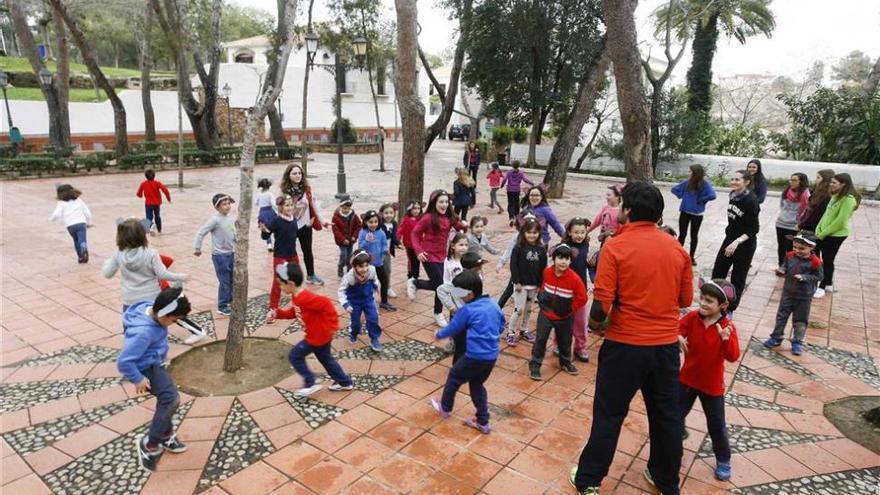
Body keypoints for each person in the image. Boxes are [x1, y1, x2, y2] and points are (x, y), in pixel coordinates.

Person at [570, 182, 693, 495]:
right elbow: (685, 299)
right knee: (666, 417)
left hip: (624, 346)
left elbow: (600, 307)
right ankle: (666, 481)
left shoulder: (616, 246)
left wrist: (597, 325)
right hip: (665, 349)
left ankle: (589, 481)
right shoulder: (677, 249)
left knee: (610, 414)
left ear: (626, 210)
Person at [117, 287, 192, 472]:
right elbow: (124, 361)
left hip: (154, 363)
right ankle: (149, 444)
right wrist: (138, 378)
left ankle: (166, 435)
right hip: (145, 368)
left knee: (167, 399)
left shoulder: (150, 307)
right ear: (164, 314)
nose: (174, 323)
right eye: (174, 320)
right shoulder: (144, 333)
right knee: (170, 399)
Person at [678, 279, 740, 482]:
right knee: (673, 416)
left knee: (716, 425)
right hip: (686, 379)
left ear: (723, 306)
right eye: (702, 298)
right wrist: (677, 336)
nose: (703, 303)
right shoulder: (693, 317)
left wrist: (725, 340)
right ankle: (673, 452)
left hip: (711, 386)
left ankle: (723, 459)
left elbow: (732, 356)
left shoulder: (727, 327)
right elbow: (677, 329)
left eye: (709, 301)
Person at [431, 270, 504, 434]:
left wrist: (439, 334)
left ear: (469, 294)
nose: (458, 296)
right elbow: (501, 325)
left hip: (474, 356)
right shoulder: (493, 304)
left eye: (459, 292)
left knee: (454, 377)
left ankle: (445, 407)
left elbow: (454, 327)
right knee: (477, 384)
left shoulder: (467, 310)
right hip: (491, 356)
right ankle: (483, 422)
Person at [273, 262, 354, 396]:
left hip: (316, 337)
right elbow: (296, 312)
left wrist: (333, 325)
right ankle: (345, 382)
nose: (280, 287)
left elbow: (326, 304)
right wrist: (279, 313)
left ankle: (311, 382)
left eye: (281, 284)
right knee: (326, 359)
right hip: (321, 336)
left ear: (291, 284)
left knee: (295, 356)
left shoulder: (305, 297)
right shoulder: (297, 297)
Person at [407, 190, 467, 327]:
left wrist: (464, 225)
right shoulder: (427, 218)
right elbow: (415, 234)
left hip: (443, 256)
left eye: (446, 202)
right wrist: (418, 251)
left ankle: (416, 283)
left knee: (441, 285)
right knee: (441, 285)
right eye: (441, 202)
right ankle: (438, 313)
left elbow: (459, 226)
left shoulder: (450, 217)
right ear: (434, 203)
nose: (444, 204)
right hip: (428, 255)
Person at [529, 244, 587, 380]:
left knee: (565, 341)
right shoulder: (547, 272)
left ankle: (565, 362)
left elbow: (583, 297)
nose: (563, 261)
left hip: (565, 316)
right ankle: (535, 365)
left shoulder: (574, 279)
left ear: (570, 261)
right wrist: (542, 298)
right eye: (560, 258)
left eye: (567, 259)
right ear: (554, 259)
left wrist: (570, 308)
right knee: (540, 339)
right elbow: (542, 285)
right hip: (546, 313)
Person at [103, 218, 188, 311]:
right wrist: (181, 277)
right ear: (142, 235)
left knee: (131, 324)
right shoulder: (151, 253)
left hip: (130, 300)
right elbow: (162, 274)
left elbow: (107, 273)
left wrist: (107, 262)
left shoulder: (118, 253)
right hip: (151, 298)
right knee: (153, 324)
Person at [764, 232, 823, 355]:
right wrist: (780, 271)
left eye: (801, 248)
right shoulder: (790, 256)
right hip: (788, 293)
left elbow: (819, 276)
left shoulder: (815, 262)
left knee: (800, 320)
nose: (797, 250)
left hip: (804, 296)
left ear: (812, 247)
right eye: (795, 247)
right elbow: (785, 267)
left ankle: (797, 342)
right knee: (781, 316)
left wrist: (804, 277)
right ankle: (776, 337)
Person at [711, 170, 760, 314]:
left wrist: (737, 242)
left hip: (744, 244)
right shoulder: (733, 196)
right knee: (718, 272)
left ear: (747, 182)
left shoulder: (751, 201)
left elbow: (754, 228)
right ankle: (714, 302)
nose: (733, 182)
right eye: (732, 179)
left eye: (737, 179)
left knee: (737, 278)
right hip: (730, 239)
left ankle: (730, 310)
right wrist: (730, 240)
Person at [813, 173, 861, 298]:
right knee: (820, 257)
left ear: (843, 184)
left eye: (834, 183)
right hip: (823, 232)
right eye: (831, 182)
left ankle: (822, 286)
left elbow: (840, 221)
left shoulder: (849, 200)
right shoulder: (834, 196)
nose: (831, 184)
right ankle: (828, 283)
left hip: (836, 235)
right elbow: (826, 214)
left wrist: (823, 233)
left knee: (828, 260)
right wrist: (818, 228)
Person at [280, 163, 328, 285]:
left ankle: (311, 275)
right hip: (290, 226)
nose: (297, 175)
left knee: (308, 251)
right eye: (294, 173)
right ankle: (289, 277)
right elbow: (279, 209)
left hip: (306, 225)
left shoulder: (307, 190)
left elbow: (314, 205)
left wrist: (323, 220)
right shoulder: (284, 191)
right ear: (288, 175)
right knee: (289, 252)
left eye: (299, 173)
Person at [437, 252, 489, 362]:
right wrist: (451, 307)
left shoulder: (477, 276)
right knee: (460, 341)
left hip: (471, 314)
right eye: (478, 267)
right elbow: (442, 290)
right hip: (461, 314)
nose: (480, 268)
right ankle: (457, 358)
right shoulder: (462, 281)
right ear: (471, 268)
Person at [552, 217, 591, 362]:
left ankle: (580, 348)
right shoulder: (564, 248)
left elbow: (587, 265)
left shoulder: (586, 246)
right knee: (562, 320)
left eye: (582, 232)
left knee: (580, 322)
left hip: (580, 292)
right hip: (564, 292)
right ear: (569, 232)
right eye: (576, 232)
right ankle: (558, 344)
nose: (579, 235)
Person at [193, 193, 236, 316]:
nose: (227, 206)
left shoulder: (231, 218)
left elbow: (233, 233)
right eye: (224, 204)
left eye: (228, 204)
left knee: (232, 279)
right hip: (220, 256)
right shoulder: (215, 220)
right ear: (217, 207)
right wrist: (197, 247)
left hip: (231, 253)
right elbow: (201, 232)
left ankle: (230, 300)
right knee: (224, 281)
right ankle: (222, 306)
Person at [506, 218, 546, 346]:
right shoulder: (518, 248)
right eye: (529, 232)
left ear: (539, 233)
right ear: (523, 232)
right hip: (521, 285)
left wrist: (541, 284)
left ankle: (524, 329)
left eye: (535, 232)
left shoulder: (541, 249)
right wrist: (516, 282)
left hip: (534, 285)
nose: (532, 235)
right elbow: (513, 266)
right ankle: (511, 332)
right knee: (519, 309)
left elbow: (543, 268)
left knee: (529, 309)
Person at [262, 196, 300, 323]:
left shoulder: (293, 219)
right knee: (278, 281)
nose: (289, 208)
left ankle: (297, 305)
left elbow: (294, 234)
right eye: (286, 205)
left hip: (293, 254)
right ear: (281, 207)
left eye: (291, 205)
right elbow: (265, 234)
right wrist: (264, 230)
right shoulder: (276, 221)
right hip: (280, 255)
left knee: (296, 279)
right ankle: (273, 308)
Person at [338, 249, 383, 352]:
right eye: (361, 266)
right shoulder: (349, 277)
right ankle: (354, 332)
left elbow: (375, 280)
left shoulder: (371, 271)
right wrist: (346, 304)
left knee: (373, 318)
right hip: (354, 303)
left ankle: (374, 338)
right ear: (354, 266)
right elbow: (341, 291)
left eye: (366, 265)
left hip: (368, 300)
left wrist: (377, 287)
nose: (364, 269)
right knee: (355, 323)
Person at [671, 165, 716, 265]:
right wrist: (681, 195)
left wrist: (701, 200)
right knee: (682, 234)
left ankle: (691, 257)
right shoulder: (687, 182)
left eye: (690, 171)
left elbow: (712, 195)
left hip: (697, 214)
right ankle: (677, 255)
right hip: (685, 212)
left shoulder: (705, 184)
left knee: (694, 236)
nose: (688, 173)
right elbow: (674, 189)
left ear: (695, 172)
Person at [358, 210, 395, 311]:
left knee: (385, 281)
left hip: (379, 262)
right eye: (370, 222)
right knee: (368, 284)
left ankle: (384, 302)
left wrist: (385, 250)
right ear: (366, 222)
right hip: (368, 265)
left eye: (375, 222)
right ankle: (366, 302)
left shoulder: (381, 232)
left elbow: (384, 244)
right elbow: (360, 247)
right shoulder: (363, 232)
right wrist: (367, 241)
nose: (373, 224)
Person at [774, 173, 811, 275]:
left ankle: (790, 268)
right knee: (781, 246)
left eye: (794, 180)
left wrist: (799, 223)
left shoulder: (805, 195)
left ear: (801, 182)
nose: (791, 182)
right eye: (790, 180)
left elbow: (805, 211)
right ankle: (781, 266)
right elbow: (782, 206)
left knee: (790, 247)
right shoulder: (786, 192)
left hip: (794, 225)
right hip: (781, 223)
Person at [50, 184, 93, 263]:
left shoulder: (61, 203)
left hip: (70, 225)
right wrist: (89, 223)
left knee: (76, 240)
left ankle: (80, 257)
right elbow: (87, 213)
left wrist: (51, 219)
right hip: (81, 223)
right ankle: (84, 248)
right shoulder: (79, 200)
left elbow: (57, 214)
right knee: (82, 239)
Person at [331, 198, 362, 278]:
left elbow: (359, 226)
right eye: (344, 208)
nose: (346, 210)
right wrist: (343, 239)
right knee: (343, 255)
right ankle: (340, 266)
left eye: (348, 208)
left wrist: (354, 236)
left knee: (349, 255)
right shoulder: (336, 217)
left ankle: (349, 267)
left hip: (351, 240)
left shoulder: (354, 216)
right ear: (340, 207)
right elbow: (335, 230)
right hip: (342, 241)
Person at [136, 169, 172, 235]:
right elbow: (165, 190)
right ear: (154, 175)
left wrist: (141, 195)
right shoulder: (157, 183)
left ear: (145, 176)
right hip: (157, 203)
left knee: (149, 217)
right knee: (157, 216)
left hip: (148, 203)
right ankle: (159, 229)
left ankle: (151, 227)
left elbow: (138, 194)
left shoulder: (143, 184)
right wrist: (168, 198)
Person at [500, 161, 534, 225]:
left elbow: (504, 179)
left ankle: (511, 217)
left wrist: (502, 185)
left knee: (510, 203)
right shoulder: (520, 173)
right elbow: (525, 179)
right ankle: (516, 216)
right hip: (517, 190)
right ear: (519, 165)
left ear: (512, 165)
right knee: (516, 203)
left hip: (510, 190)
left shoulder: (509, 172)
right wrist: (531, 183)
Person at [378, 203, 400, 298]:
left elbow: (394, 237)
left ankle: (388, 287)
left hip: (387, 252)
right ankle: (374, 287)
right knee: (375, 271)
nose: (389, 215)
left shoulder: (394, 224)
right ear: (382, 214)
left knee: (388, 270)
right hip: (377, 252)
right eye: (386, 213)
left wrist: (398, 243)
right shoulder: (379, 224)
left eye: (391, 212)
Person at [398, 200, 423, 280]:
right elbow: (400, 230)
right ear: (410, 209)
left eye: (418, 208)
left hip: (419, 244)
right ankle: (411, 275)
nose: (416, 211)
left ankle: (416, 276)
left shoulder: (421, 219)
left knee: (417, 260)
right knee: (411, 260)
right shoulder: (406, 220)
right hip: (409, 244)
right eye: (414, 208)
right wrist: (397, 240)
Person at [255, 178, 277, 252]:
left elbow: (256, 203)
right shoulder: (270, 194)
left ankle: (269, 245)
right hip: (270, 212)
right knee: (275, 228)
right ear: (269, 186)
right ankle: (276, 244)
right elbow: (273, 204)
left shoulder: (259, 194)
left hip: (262, 212)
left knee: (265, 229)